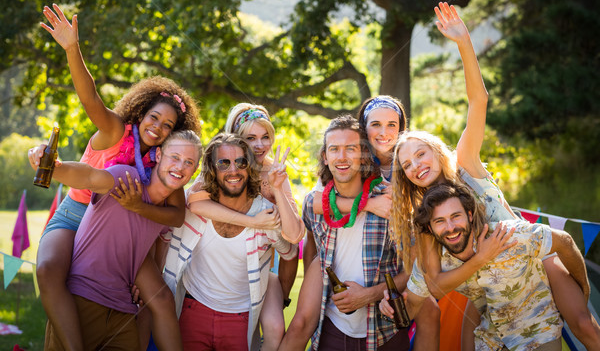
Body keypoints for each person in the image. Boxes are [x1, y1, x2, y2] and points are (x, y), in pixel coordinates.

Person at [389, 2, 600, 349]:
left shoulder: (466, 164)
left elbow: (478, 100)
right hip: (488, 286)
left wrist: (463, 42)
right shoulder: (428, 219)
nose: (415, 166)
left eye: (419, 154)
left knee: (583, 325)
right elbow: (432, 281)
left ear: (435, 151)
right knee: (468, 340)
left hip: (533, 257)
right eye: (406, 166)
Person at [36, 3, 201, 351]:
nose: (158, 128)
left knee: (152, 299)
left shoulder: (162, 162)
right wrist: (71, 48)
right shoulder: (114, 130)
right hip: (77, 216)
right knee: (48, 273)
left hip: (122, 230)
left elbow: (173, 213)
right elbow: (90, 98)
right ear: (141, 113)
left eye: (168, 126)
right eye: (154, 118)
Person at [281, 96, 439, 351]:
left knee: (429, 309)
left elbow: (414, 261)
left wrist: (372, 294)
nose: (384, 133)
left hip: (391, 273)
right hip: (337, 266)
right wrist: (368, 205)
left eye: (392, 125)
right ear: (364, 131)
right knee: (302, 322)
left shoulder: (405, 164)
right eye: (376, 124)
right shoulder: (342, 163)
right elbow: (315, 205)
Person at [28, 130, 202, 350]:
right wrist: (54, 166)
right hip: (82, 302)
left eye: (188, 162)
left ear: (195, 170)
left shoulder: (168, 210)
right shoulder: (126, 178)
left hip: (122, 315)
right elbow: (89, 176)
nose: (180, 166)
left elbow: (160, 243)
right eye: (174, 157)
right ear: (158, 155)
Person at [382, 183, 590, 350]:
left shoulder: (506, 235)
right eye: (440, 221)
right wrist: (392, 308)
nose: (451, 227)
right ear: (430, 228)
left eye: (456, 216)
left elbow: (565, 241)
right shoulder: (434, 262)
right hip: (489, 340)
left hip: (536, 333)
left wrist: (583, 288)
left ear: (470, 215)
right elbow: (410, 309)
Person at [163, 133, 297, 351]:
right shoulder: (192, 207)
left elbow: (291, 249)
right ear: (212, 170)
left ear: (250, 166)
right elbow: (163, 235)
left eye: (241, 162)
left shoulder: (265, 213)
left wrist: (282, 294)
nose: (233, 170)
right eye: (223, 163)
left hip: (239, 318)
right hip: (192, 308)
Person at [299, 115, 410, 351]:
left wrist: (369, 295)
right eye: (334, 149)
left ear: (364, 155)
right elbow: (312, 256)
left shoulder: (391, 201)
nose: (341, 157)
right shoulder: (313, 205)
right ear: (325, 157)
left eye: (350, 149)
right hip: (332, 331)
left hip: (385, 333)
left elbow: (414, 272)